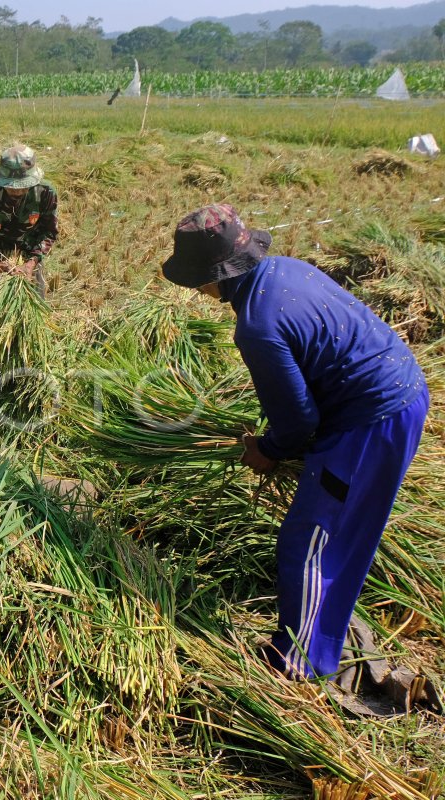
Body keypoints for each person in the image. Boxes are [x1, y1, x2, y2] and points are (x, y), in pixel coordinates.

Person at [161, 204, 435, 703]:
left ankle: (300, 663)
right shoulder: (287, 269)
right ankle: (321, 637)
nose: (197, 293)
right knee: (341, 530)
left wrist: (266, 450)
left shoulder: (257, 327)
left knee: (311, 542)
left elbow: (297, 421)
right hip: (403, 391)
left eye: (196, 280)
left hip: (371, 422)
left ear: (215, 275)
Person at [0, 144, 59, 308]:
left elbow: (49, 233)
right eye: (11, 186)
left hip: (28, 255)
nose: (17, 191)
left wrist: (31, 263)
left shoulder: (45, 193)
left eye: (23, 186)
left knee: (34, 306)